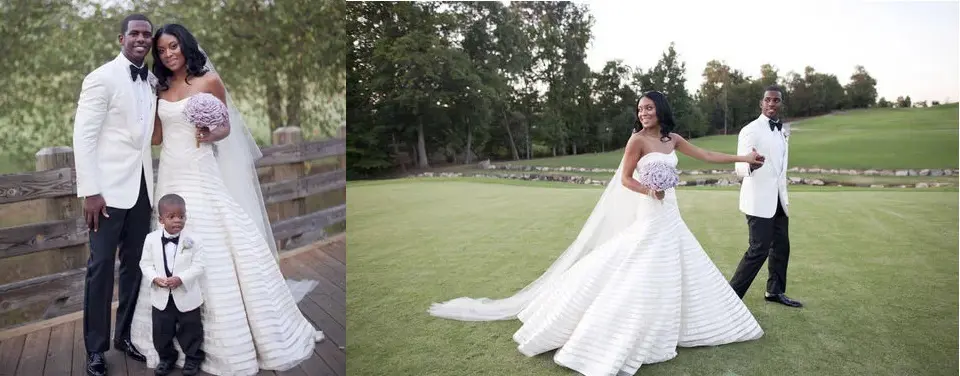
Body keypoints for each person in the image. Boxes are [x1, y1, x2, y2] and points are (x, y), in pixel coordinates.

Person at [428, 91, 767, 376]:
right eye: (640, 109)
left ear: (661, 110)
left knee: (676, 267)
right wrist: (650, 190)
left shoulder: (672, 140)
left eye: (649, 107)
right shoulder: (636, 140)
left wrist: (745, 158)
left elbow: (706, 155)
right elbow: (625, 180)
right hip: (651, 211)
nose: (644, 113)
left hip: (671, 216)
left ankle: (677, 325)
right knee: (640, 267)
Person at [127, 23, 323, 375]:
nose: (169, 54)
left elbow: (226, 128)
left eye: (174, 46)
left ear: (185, 45)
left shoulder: (208, 83)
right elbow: (156, 137)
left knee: (214, 242)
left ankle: (227, 338)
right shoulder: (161, 87)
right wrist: (145, 102)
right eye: (162, 50)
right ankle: (168, 340)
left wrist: (209, 130)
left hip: (201, 173)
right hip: (170, 174)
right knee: (166, 244)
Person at [72, 13, 155, 376]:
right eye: (134, 33)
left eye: (146, 34)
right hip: (104, 195)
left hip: (143, 191)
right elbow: (84, 137)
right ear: (121, 39)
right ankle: (95, 349)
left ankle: (126, 335)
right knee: (101, 267)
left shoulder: (152, 81)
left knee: (136, 267)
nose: (141, 38)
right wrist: (90, 191)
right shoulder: (100, 78)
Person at [728, 85, 803, 308]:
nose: (772, 104)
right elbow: (739, 167)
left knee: (781, 246)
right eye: (768, 100)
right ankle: (730, 299)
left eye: (776, 100)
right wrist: (750, 164)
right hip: (758, 200)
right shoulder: (750, 130)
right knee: (758, 250)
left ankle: (774, 291)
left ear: (781, 104)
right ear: (761, 103)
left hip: (778, 199)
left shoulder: (781, 131)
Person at [139, 194, 206, 376]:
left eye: (181, 216)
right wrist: (154, 278)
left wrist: (181, 279)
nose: (177, 220)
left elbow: (199, 266)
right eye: (172, 217)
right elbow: (145, 264)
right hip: (161, 297)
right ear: (161, 219)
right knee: (161, 331)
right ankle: (167, 358)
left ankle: (193, 359)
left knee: (191, 329)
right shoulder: (151, 239)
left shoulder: (194, 240)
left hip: (186, 294)